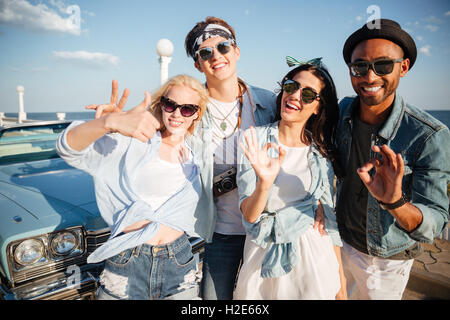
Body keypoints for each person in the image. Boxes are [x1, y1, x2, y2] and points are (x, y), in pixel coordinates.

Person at [56, 75, 209, 300]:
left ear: (197, 113)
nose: (177, 114)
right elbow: (67, 148)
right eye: (170, 105)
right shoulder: (135, 142)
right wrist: (106, 124)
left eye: (187, 109)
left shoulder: (197, 155)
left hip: (179, 259)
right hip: (129, 259)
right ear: (161, 105)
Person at [335, 18, 450, 300]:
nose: (370, 76)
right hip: (339, 242)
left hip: (385, 260)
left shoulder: (429, 135)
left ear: (404, 67)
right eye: (359, 66)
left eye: (383, 65)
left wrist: (395, 203)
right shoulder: (343, 111)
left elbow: (436, 220)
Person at [233, 57, 347, 300]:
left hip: (315, 261)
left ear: (318, 107)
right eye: (291, 86)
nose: (295, 96)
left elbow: (328, 220)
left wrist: (341, 280)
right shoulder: (254, 139)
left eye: (308, 94)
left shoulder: (321, 152)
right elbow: (250, 215)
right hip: (263, 260)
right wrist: (264, 183)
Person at [183, 17, 280, 300]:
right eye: (205, 53)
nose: (216, 56)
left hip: (264, 229)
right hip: (219, 233)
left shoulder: (269, 103)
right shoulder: (188, 109)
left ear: (236, 51)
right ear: (197, 64)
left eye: (223, 47)